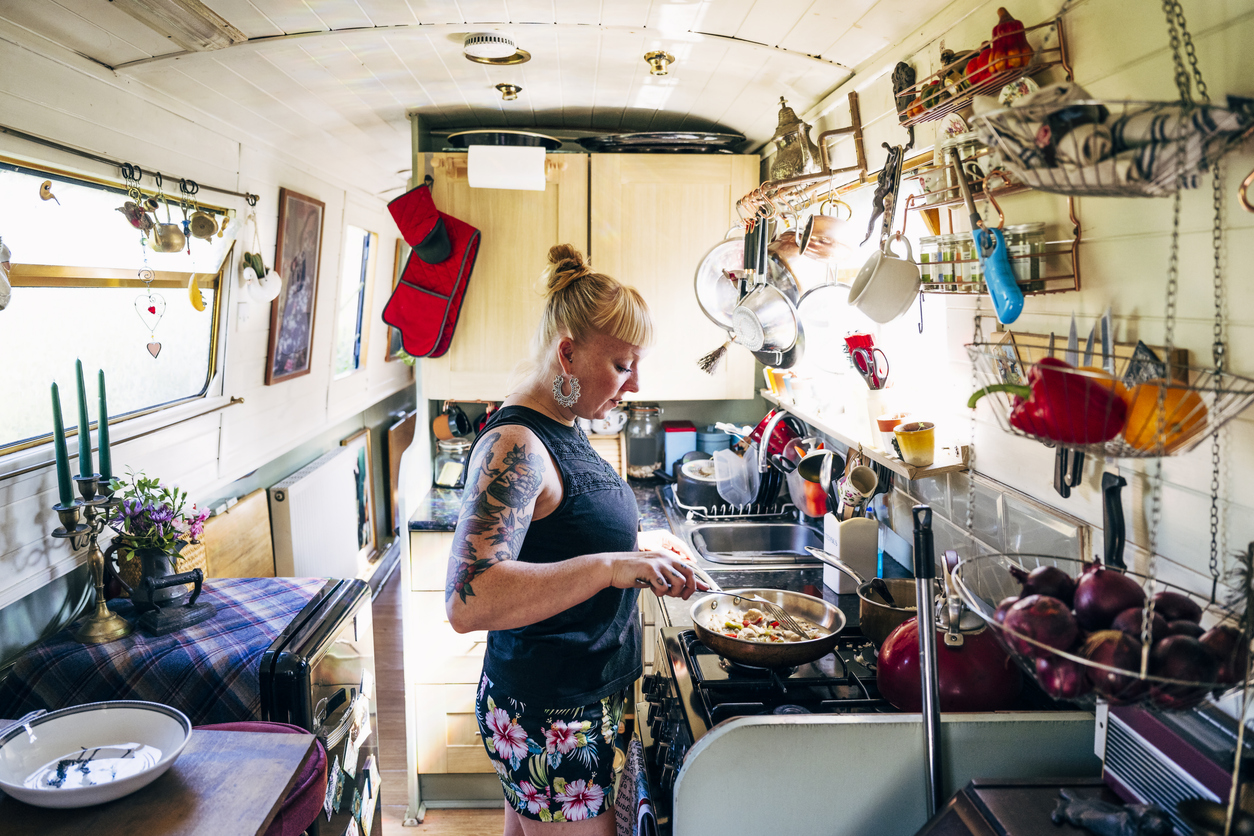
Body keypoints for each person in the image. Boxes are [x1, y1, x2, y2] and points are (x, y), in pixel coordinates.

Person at [446, 244, 701, 835]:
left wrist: (642, 546)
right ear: (568, 353)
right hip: (553, 712)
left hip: (577, 699)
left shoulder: (564, 423)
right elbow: (469, 600)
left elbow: (564, 532)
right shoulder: (515, 445)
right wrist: (614, 565)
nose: (634, 383)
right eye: (621, 364)